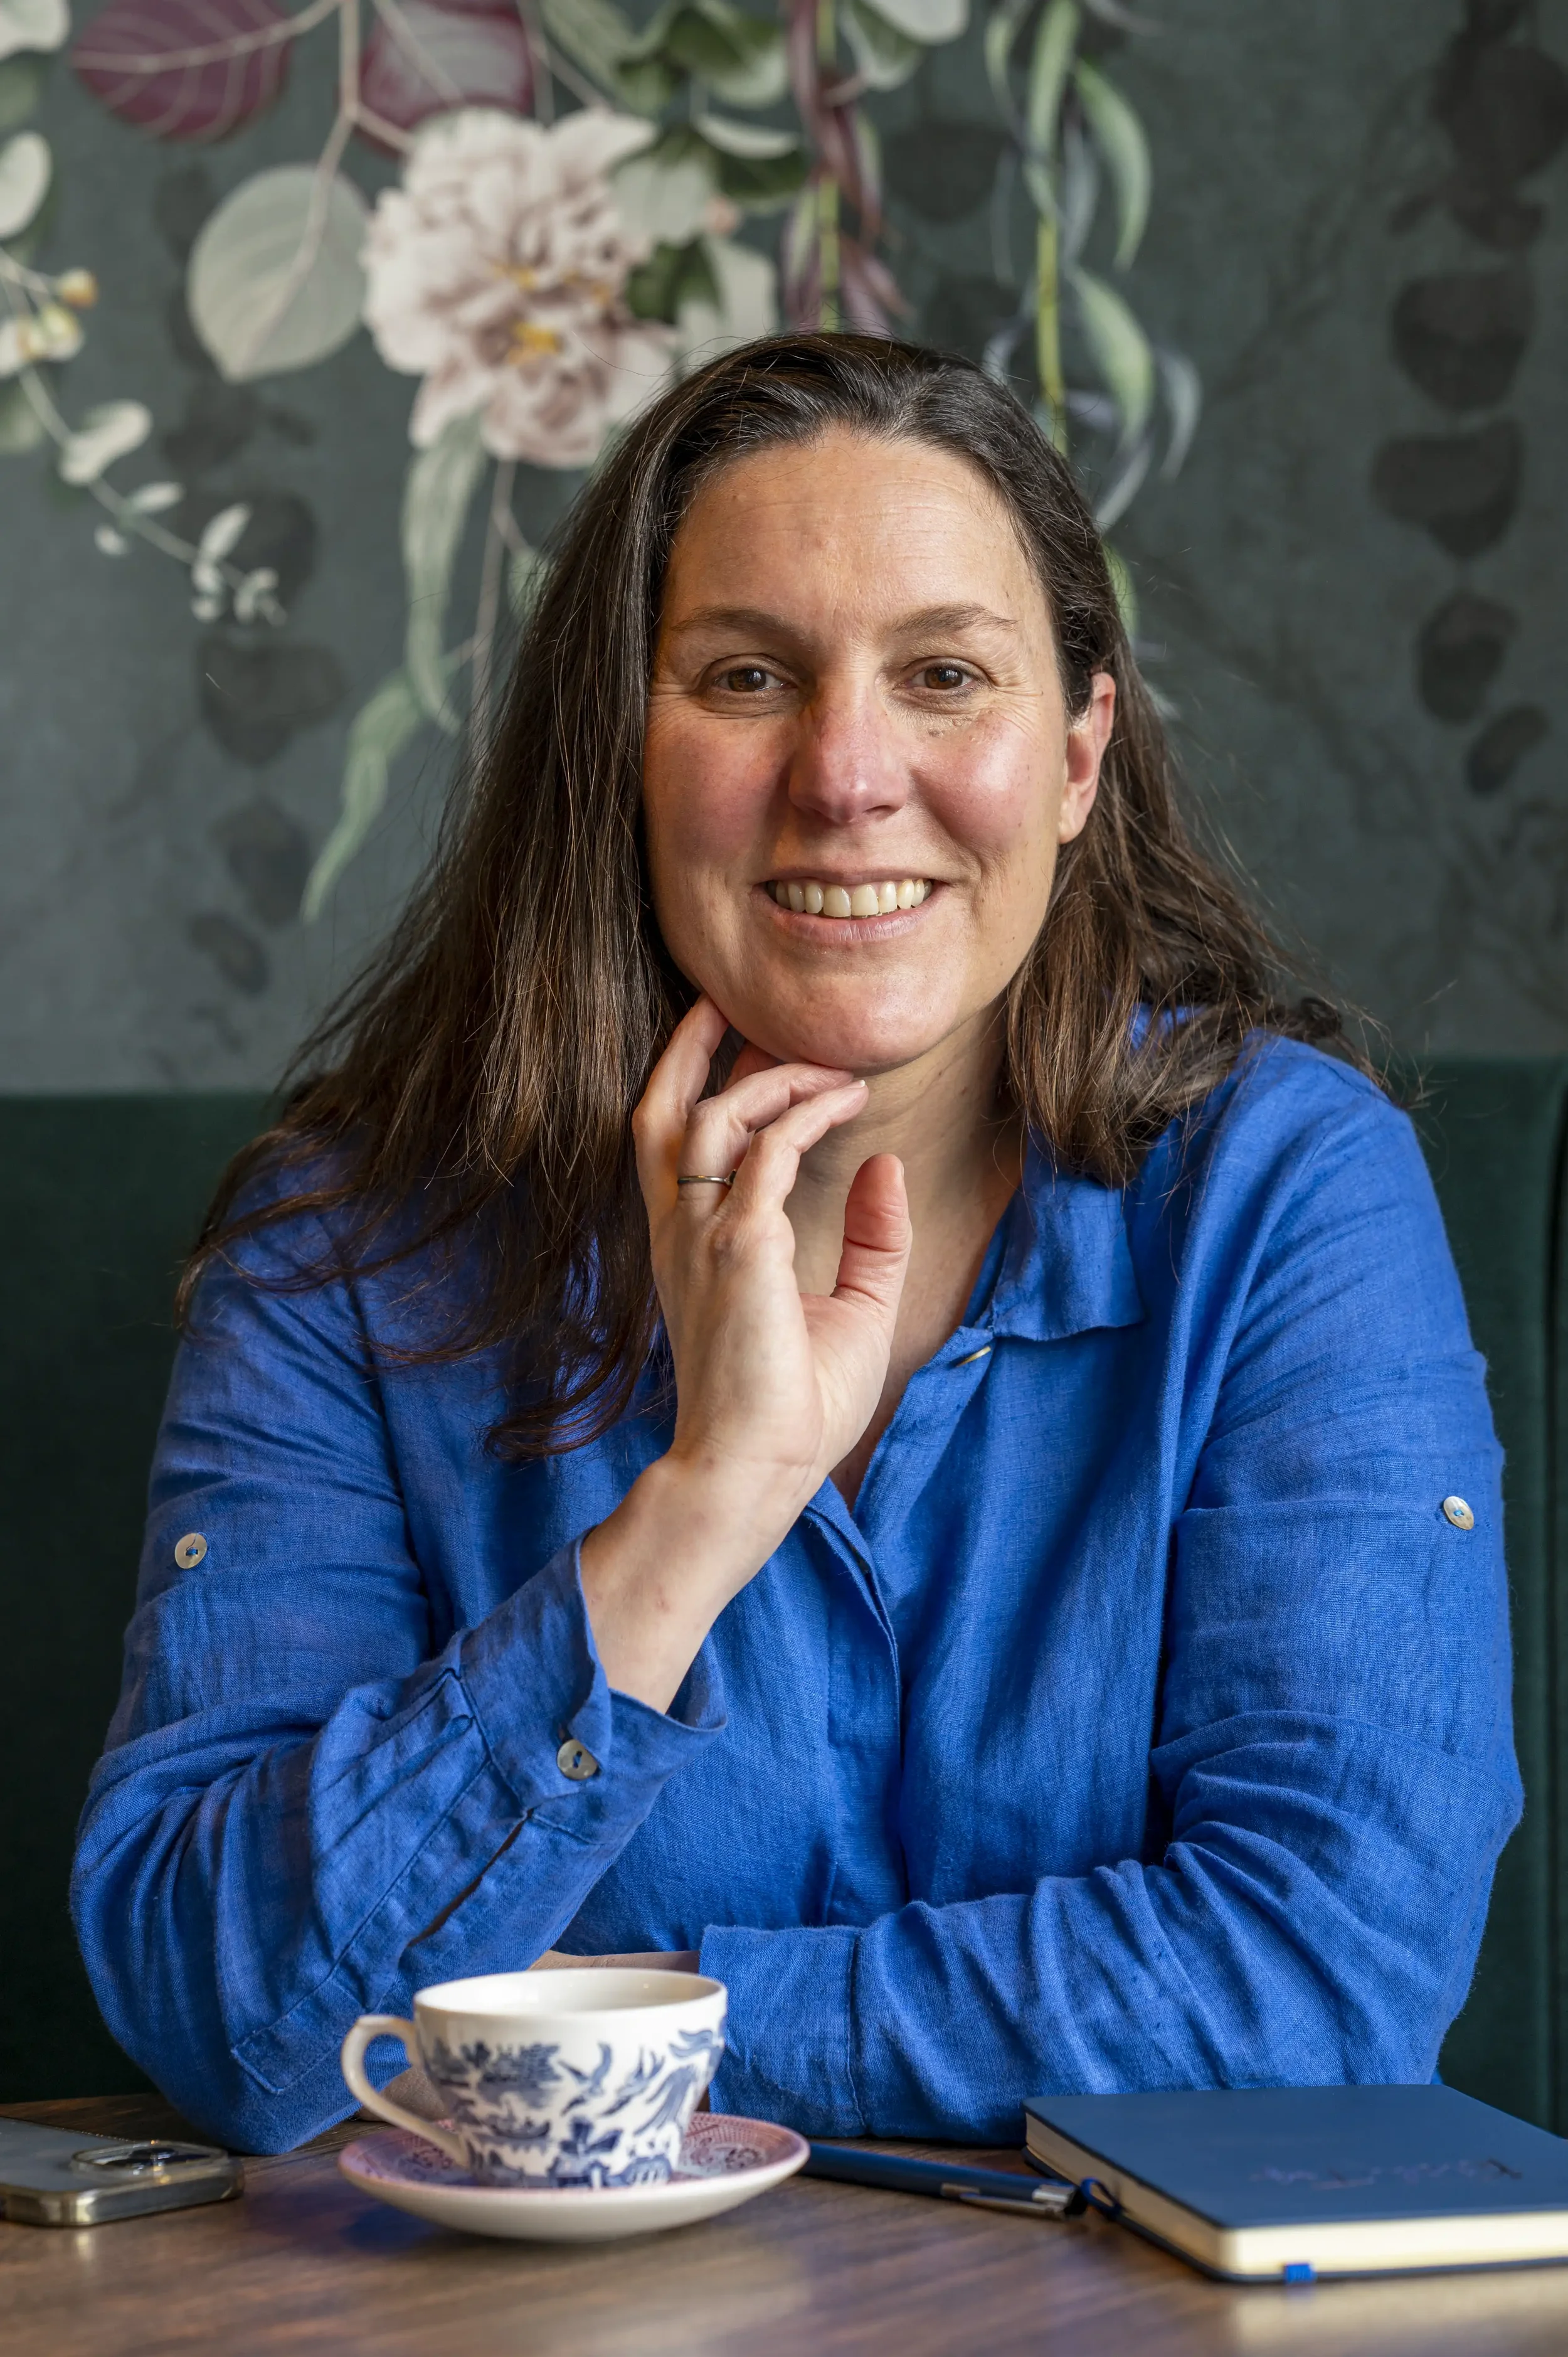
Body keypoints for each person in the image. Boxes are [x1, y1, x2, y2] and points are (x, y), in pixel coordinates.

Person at [72, 336, 1520, 2154]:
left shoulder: (1285, 1192)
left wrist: (613, 2033)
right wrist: (696, 1512)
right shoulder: (347, 1250)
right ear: (623, 754)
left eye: (942, 675)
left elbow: (1325, 1974)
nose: (846, 774)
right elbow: (227, 2006)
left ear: (1076, 753)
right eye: (746, 675)